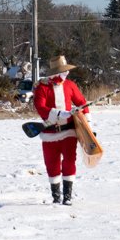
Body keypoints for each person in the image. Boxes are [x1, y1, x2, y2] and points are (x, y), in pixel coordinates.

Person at [31, 55, 89, 205]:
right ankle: (56, 196)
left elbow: (82, 103)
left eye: (66, 71)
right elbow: (40, 107)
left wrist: (85, 121)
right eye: (63, 71)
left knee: (70, 162)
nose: (66, 74)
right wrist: (57, 114)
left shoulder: (70, 85)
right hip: (49, 133)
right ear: (55, 72)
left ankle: (67, 196)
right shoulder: (42, 88)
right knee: (52, 164)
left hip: (69, 132)